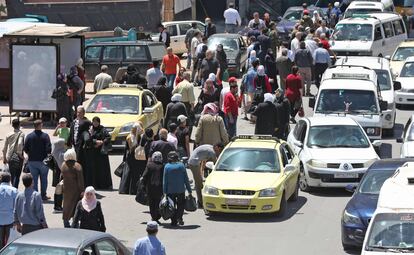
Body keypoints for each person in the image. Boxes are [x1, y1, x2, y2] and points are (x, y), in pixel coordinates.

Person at [24, 120, 51, 201]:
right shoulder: (45, 136)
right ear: (40, 125)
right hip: (43, 161)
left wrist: (30, 154)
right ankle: (43, 195)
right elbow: (48, 149)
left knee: (34, 180)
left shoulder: (29, 136)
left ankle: (35, 196)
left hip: (32, 161)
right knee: (44, 179)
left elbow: (25, 149)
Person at [163, 151, 192, 226]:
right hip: (180, 190)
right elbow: (186, 179)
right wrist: (189, 190)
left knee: (171, 206)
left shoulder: (167, 166)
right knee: (181, 205)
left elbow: (165, 181)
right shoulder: (181, 166)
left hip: (170, 191)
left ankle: (173, 221)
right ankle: (179, 217)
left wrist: (164, 191)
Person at [60, 149, 84, 228]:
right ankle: (75, 224)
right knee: (75, 207)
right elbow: (80, 181)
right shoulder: (77, 166)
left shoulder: (63, 165)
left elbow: (61, 177)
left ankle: (65, 223)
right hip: (75, 190)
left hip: (66, 190)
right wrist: (82, 191)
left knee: (66, 206)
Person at [119, 122, 145, 195]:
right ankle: (133, 190)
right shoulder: (139, 136)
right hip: (136, 158)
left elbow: (126, 149)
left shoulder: (130, 136)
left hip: (131, 157)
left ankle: (126, 189)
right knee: (134, 174)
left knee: (129, 173)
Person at [88, 117, 112, 190]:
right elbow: (88, 138)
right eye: (94, 122)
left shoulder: (102, 129)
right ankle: (94, 184)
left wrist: (102, 142)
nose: (95, 123)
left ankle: (104, 185)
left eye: (97, 122)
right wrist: (95, 142)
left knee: (102, 169)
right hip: (93, 152)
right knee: (94, 168)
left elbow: (108, 137)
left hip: (101, 153)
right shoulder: (90, 129)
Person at [141, 152, 164, 223]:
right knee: (157, 203)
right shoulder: (162, 166)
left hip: (150, 188)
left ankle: (153, 217)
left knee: (151, 203)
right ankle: (156, 217)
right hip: (159, 188)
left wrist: (143, 185)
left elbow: (145, 176)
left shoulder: (149, 165)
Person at [3, 119, 25, 188]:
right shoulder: (21, 134)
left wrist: (4, 158)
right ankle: (15, 190)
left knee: (12, 175)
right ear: (19, 125)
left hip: (10, 157)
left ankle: (13, 189)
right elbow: (19, 144)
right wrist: (20, 154)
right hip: (18, 157)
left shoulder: (8, 134)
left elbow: (4, 148)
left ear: (12, 125)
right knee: (17, 176)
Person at [0, 172, 18, 249]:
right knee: (10, 243)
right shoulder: (14, 190)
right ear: (10, 180)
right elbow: (16, 206)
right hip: (10, 219)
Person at [51, 138, 65, 213]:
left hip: (56, 174)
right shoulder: (62, 153)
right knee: (62, 191)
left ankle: (57, 206)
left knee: (57, 190)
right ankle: (58, 207)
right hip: (62, 174)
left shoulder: (54, 152)